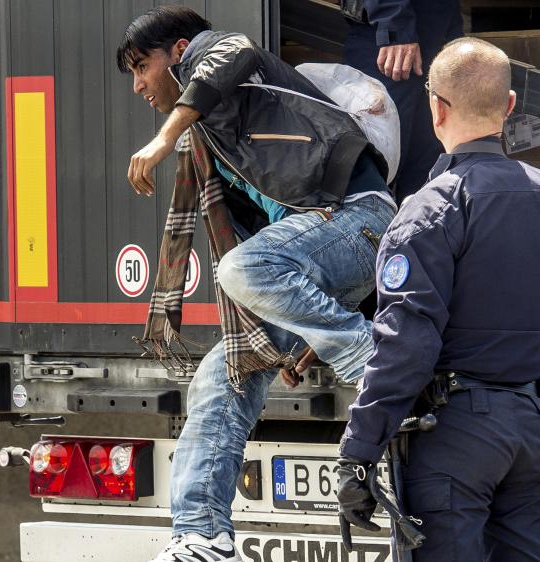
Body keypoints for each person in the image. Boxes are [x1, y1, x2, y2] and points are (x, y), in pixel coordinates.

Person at [117, 7, 396, 562]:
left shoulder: (219, 58)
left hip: (360, 218)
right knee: (223, 375)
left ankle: (379, 368)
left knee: (242, 267)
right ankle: (201, 537)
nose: (139, 85)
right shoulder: (215, 144)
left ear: (178, 51)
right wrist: (304, 329)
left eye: (141, 66)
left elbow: (230, 50)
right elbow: (291, 265)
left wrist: (163, 138)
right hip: (320, 252)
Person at [335, 38, 540, 561]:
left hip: (455, 436)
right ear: (508, 107)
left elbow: (405, 344)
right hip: (533, 428)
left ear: (435, 107)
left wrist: (359, 451)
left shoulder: (429, 210)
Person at [342, 0, 463, 203]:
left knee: (425, 178)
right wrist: (394, 23)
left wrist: (453, 36)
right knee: (373, 176)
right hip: (391, 43)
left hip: (430, 33)